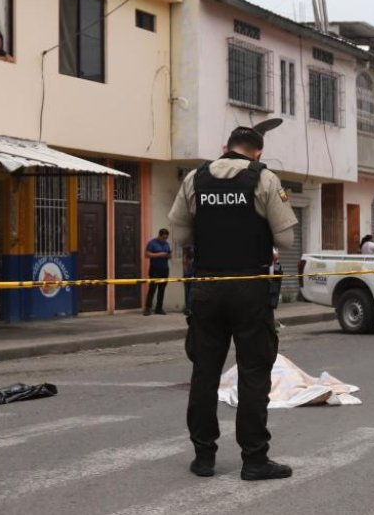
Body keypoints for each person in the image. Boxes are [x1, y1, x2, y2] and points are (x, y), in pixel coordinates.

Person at [169, 119, 297, 482]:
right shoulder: (264, 178)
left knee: (205, 374)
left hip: (206, 287)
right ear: (257, 152)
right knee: (254, 374)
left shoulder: (195, 178)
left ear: (225, 147)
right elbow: (286, 240)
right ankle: (255, 460)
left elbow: (179, 234)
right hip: (249, 288)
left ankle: (203, 457)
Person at [143, 229, 172, 315]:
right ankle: (148, 308)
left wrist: (168, 255)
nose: (164, 240)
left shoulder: (167, 244)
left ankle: (159, 308)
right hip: (155, 269)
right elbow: (147, 254)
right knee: (152, 289)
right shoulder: (152, 243)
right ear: (159, 236)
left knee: (162, 290)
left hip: (164, 269)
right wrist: (160, 254)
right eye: (163, 238)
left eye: (166, 238)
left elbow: (168, 255)